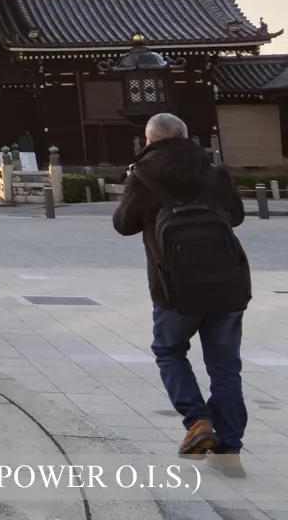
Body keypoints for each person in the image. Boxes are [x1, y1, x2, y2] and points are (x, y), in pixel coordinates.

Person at [113, 112, 249, 469]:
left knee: (169, 350)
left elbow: (123, 225)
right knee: (225, 368)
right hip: (228, 283)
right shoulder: (213, 171)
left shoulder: (143, 175)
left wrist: (133, 185)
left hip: (174, 286)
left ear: (149, 141)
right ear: (187, 136)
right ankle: (230, 450)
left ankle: (198, 421)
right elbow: (235, 216)